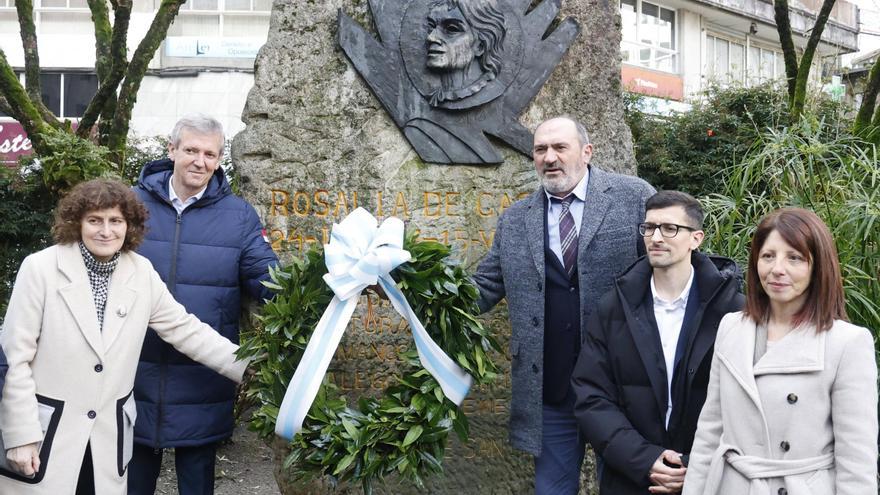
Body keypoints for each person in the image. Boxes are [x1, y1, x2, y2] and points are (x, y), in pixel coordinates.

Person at [0, 179, 250, 494]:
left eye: (115, 221)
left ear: (129, 225)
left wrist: (250, 366)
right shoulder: (40, 269)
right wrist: (20, 435)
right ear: (77, 223)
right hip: (47, 434)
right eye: (95, 220)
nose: (106, 231)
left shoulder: (141, 272)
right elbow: (15, 359)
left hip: (106, 439)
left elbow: (187, 330)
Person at [471, 116, 655, 493]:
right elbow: (481, 288)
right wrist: (404, 289)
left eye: (560, 148)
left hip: (621, 387)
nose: (549, 158)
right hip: (551, 391)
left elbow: (671, 265)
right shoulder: (514, 220)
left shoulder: (634, 197)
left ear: (586, 152)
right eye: (540, 150)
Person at [129, 115, 278, 494]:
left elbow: (269, 280)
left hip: (203, 372)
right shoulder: (131, 204)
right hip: (134, 367)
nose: (200, 161)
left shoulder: (238, 215)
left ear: (219, 159)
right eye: (191, 150)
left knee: (197, 482)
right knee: (132, 479)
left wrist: (331, 288)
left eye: (210, 154)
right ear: (172, 150)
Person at [682, 207, 878, 494]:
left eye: (794, 258)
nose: (777, 269)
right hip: (733, 485)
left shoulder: (847, 342)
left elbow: (856, 461)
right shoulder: (731, 328)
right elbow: (709, 433)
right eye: (768, 256)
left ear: (818, 267)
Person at [571, 190, 744, 494]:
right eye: (649, 228)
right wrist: (646, 460)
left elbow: (745, 404)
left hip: (710, 479)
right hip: (631, 477)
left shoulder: (733, 311)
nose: (656, 237)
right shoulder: (613, 308)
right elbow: (591, 396)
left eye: (670, 228)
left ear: (696, 238)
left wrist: (693, 464)